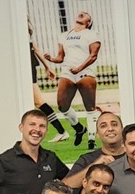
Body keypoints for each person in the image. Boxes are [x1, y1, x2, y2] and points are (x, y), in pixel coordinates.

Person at [43, 10, 102, 149]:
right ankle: (79, 129)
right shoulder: (65, 35)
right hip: (68, 71)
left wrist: (80, 68)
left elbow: (94, 55)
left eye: (86, 14)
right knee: (62, 106)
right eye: (81, 13)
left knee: (90, 108)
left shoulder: (91, 34)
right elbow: (60, 57)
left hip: (85, 72)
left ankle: (91, 140)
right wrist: (51, 59)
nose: (82, 13)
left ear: (89, 22)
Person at [27, 17, 69, 142]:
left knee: (39, 101)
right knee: (35, 102)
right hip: (28, 67)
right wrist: (47, 67)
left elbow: (35, 50)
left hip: (28, 67)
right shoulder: (23, 32)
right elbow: (36, 49)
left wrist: (48, 67)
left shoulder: (21, 32)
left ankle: (61, 131)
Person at [63, 111, 125, 188]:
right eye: (103, 126)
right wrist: (93, 167)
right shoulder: (87, 159)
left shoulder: (132, 157)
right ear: (97, 134)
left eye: (114, 124)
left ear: (122, 130)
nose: (110, 129)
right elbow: (64, 186)